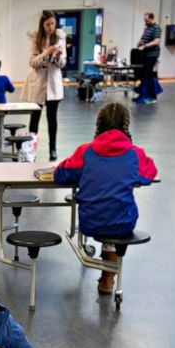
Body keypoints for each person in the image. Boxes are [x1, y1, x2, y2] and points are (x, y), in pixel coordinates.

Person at [53, 102, 158, 295]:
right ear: (126, 127)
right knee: (116, 211)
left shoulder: (85, 152)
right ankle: (108, 277)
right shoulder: (135, 154)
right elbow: (150, 174)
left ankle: (107, 274)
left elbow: (60, 175)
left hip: (90, 221)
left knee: (104, 212)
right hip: (123, 222)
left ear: (98, 125)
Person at [22, 10, 66, 160]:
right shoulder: (36, 39)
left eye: (53, 23)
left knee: (52, 118)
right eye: (47, 24)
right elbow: (33, 63)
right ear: (42, 24)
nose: (50, 27)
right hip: (38, 84)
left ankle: (52, 148)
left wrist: (58, 57)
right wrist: (46, 53)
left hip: (53, 84)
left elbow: (62, 64)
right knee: (35, 118)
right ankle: (30, 148)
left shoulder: (60, 38)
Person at [134, 12, 162, 103]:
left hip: (152, 55)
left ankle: (153, 96)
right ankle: (143, 94)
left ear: (151, 18)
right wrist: (139, 44)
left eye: (146, 20)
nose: (145, 22)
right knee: (143, 75)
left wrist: (145, 46)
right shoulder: (147, 28)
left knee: (149, 75)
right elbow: (142, 39)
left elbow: (157, 41)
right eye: (144, 20)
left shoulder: (156, 28)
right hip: (145, 55)